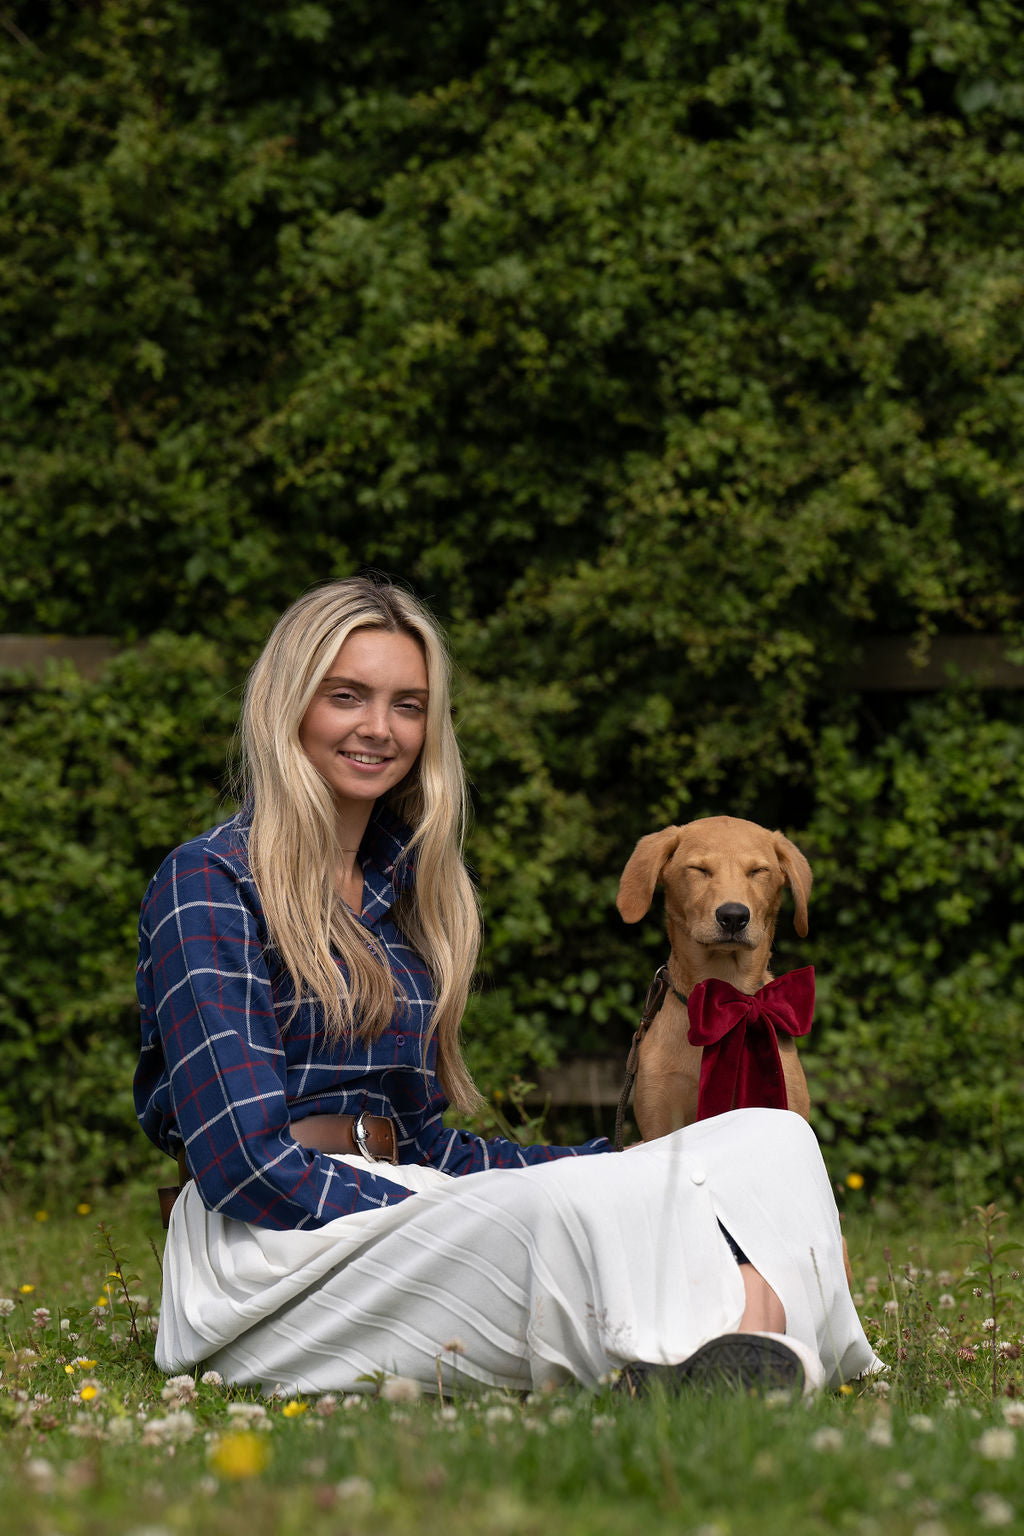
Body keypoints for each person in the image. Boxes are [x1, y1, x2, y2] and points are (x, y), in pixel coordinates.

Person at [135, 576, 878, 1398]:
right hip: (271, 1252)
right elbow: (244, 1164)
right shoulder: (209, 881)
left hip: (404, 1213)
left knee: (769, 1144)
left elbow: (429, 1148)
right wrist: (439, 1204)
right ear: (289, 705)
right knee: (549, 1214)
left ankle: (728, 1348)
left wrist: (621, 1165)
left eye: (408, 705)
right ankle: (729, 1338)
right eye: (347, 696)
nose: (379, 729)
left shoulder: (405, 892)